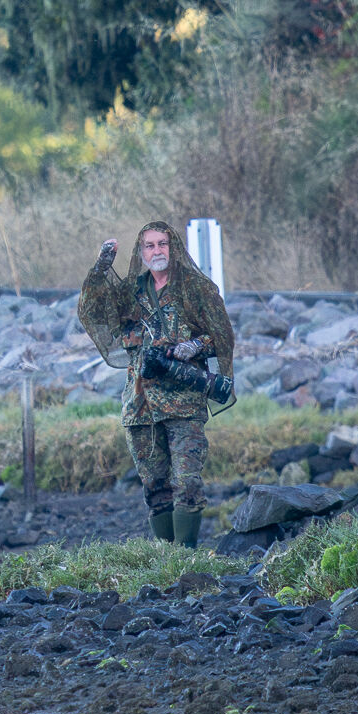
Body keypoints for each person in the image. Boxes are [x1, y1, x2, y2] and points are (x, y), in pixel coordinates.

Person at [76, 218, 235, 546]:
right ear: (141, 252)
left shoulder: (196, 288)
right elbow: (93, 312)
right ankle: (167, 563)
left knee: (187, 482)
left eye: (162, 244)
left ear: (173, 248)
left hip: (183, 402)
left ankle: (186, 559)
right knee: (155, 486)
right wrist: (101, 268)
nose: (157, 250)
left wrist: (194, 345)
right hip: (141, 405)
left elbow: (221, 333)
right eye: (150, 245)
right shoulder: (130, 293)